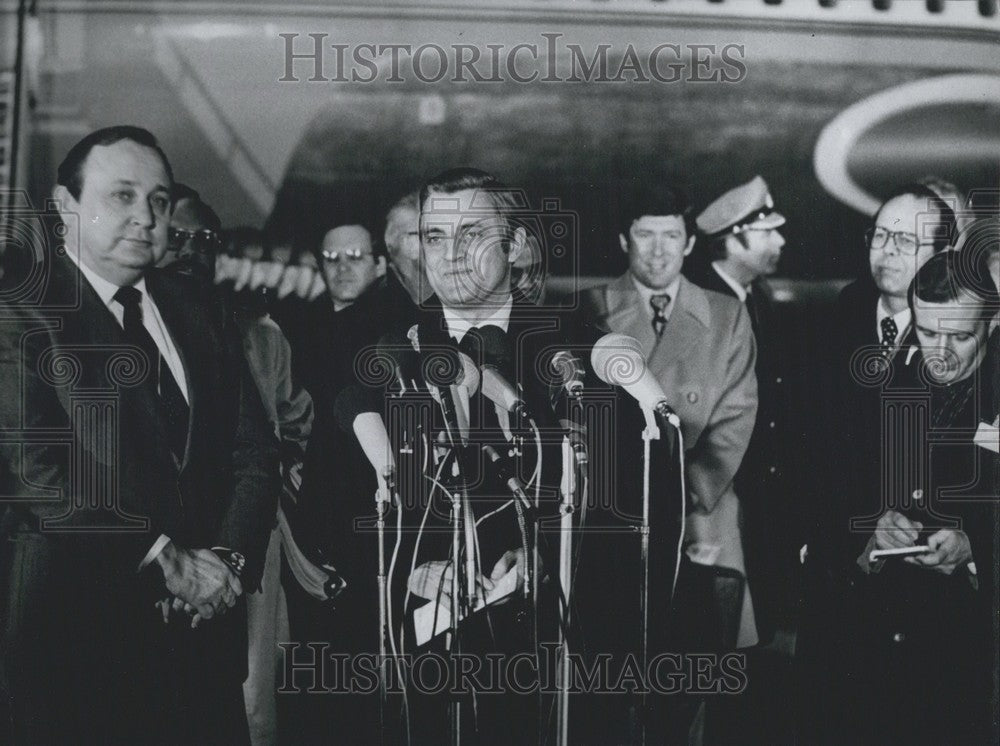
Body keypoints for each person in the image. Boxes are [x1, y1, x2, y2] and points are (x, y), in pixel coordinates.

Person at [0, 126, 279, 744]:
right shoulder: (21, 310)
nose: (145, 217)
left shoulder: (199, 307)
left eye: (157, 200)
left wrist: (225, 566)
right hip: (75, 651)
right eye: (121, 196)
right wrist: (168, 561)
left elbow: (255, 454)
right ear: (64, 206)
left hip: (201, 646)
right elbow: (36, 471)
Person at [579, 185, 758, 744]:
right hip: (612, 518)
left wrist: (675, 496)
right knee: (609, 674)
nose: (658, 252)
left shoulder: (727, 316)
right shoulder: (590, 309)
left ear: (689, 245)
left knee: (691, 680)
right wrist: (631, 498)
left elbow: (734, 419)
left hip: (698, 515)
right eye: (645, 235)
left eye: (671, 237)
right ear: (623, 240)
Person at [797, 184, 957, 742]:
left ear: (939, 255)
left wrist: (959, 537)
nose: (887, 250)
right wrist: (858, 529)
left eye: (907, 241)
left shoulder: (966, 341)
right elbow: (804, 456)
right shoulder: (831, 320)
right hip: (841, 583)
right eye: (881, 235)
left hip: (926, 600)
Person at [162, 185, 315, 746]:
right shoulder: (123, 327)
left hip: (245, 537)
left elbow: (285, 426)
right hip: (161, 552)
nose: (191, 250)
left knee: (251, 687)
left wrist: (281, 470)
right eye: (177, 236)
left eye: (204, 239)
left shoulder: (253, 329)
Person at [854, 249, 998, 744]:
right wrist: (872, 530)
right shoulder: (888, 381)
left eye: (960, 336)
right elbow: (842, 488)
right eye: (927, 331)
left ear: (994, 324)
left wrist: (977, 547)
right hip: (889, 644)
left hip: (981, 657)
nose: (940, 352)